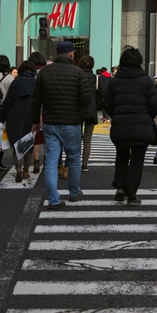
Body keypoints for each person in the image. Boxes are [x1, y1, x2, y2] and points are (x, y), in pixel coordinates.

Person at [32, 41, 93, 207]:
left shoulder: (44, 72)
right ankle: (74, 192)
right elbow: (86, 100)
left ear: (56, 53)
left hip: (50, 122)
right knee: (74, 159)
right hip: (71, 122)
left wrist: (35, 120)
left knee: (51, 161)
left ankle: (53, 199)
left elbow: (36, 99)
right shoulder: (78, 72)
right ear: (71, 53)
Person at [102, 46, 157, 205]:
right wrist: (147, 116)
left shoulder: (115, 81)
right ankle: (132, 194)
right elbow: (154, 104)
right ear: (139, 62)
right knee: (137, 160)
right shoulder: (146, 80)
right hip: (141, 125)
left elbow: (107, 104)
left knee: (121, 156)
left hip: (120, 125)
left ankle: (120, 187)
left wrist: (117, 115)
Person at [0, 59, 38, 183]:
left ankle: (18, 168)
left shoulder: (16, 83)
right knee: (28, 143)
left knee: (16, 143)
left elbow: (8, 102)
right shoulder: (36, 83)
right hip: (30, 115)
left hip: (15, 115)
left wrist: (1, 118)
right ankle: (26, 171)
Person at [78, 54, 100, 171]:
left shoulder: (78, 76)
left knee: (76, 137)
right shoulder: (96, 78)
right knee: (87, 138)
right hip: (91, 110)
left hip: (78, 110)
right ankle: (85, 164)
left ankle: (75, 162)